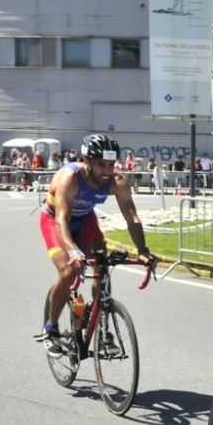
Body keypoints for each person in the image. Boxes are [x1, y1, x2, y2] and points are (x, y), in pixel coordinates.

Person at [40, 134, 151, 355]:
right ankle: (51, 329)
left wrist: (143, 251)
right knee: (68, 271)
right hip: (56, 221)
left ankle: (101, 327)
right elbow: (62, 219)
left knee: (102, 266)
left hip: (86, 221)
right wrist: (72, 251)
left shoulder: (117, 181)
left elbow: (132, 218)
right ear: (87, 161)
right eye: (101, 164)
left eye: (111, 164)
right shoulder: (69, 177)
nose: (107, 171)